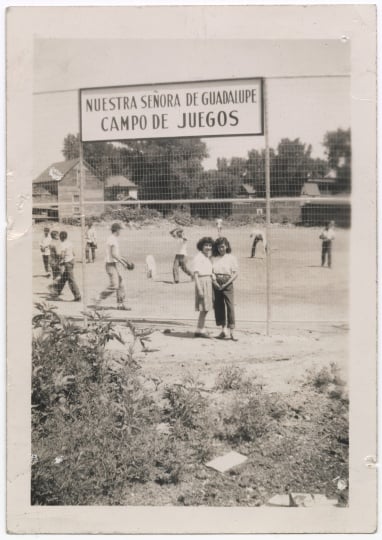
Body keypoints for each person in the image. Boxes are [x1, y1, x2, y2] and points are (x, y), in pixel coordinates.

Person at [96, 222, 131, 310]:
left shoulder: (113, 238)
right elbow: (114, 254)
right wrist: (124, 263)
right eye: (120, 230)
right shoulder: (112, 239)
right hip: (110, 265)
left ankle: (120, 304)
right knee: (115, 285)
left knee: (121, 284)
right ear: (117, 230)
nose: (120, 232)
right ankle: (99, 297)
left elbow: (117, 255)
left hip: (113, 264)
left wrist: (126, 261)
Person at [212, 237, 239, 341]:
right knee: (218, 306)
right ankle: (223, 330)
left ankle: (232, 331)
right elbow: (211, 272)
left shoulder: (231, 258)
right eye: (219, 247)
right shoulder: (214, 258)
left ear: (226, 246)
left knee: (230, 306)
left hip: (227, 282)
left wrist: (227, 283)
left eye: (222, 246)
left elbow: (235, 273)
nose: (221, 249)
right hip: (216, 282)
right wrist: (214, 282)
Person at [192, 237, 214, 338]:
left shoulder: (206, 257)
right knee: (203, 308)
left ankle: (200, 328)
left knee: (206, 308)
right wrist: (200, 289)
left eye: (210, 245)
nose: (208, 247)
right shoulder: (198, 257)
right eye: (206, 245)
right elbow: (195, 274)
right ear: (201, 246)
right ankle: (200, 329)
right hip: (202, 282)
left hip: (208, 282)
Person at [50, 231, 81, 301]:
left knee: (71, 279)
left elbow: (62, 255)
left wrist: (59, 262)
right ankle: (57, 292)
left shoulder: (62, 245)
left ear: (61, 237)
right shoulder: (70, 243)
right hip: (72, 261)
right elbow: (74, 253)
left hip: (67, 263)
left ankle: (77, 295)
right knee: (64, 278)